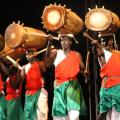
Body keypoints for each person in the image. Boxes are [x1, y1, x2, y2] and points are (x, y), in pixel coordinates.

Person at [46, 33, 87, 120]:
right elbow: (48, 55)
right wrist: (49, 42)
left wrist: (85, 73)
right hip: (59, 86)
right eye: (61, 40)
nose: (63, 42)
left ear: (70, 42)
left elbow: (82, 69)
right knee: (59, 114)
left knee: (74, 113)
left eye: (65, 40)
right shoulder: (56, 53)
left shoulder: (76, 55)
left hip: (73, 86)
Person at [90, 35, 120, 120]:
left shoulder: (117, 54)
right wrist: (96, 46)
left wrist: (98, 44)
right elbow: (99, 53)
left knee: (116, 115)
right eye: (101, 41)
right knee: (104, 112)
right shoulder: (101, 53)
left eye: (105, 40)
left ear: (111, 41)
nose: (103, 43)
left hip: (117, 88)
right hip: (106, 87)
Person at [22, 48, 48, 120]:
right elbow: (21, 81)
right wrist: (21, 71)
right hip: (29, 93)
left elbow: (44, 70)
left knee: (42, 114)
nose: (27, 55)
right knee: (29, 114)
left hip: (40, 92)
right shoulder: (24, 67)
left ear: (34, 54)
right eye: (26, 54)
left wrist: (36, 59)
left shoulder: (39, 63)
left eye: (29, 53)